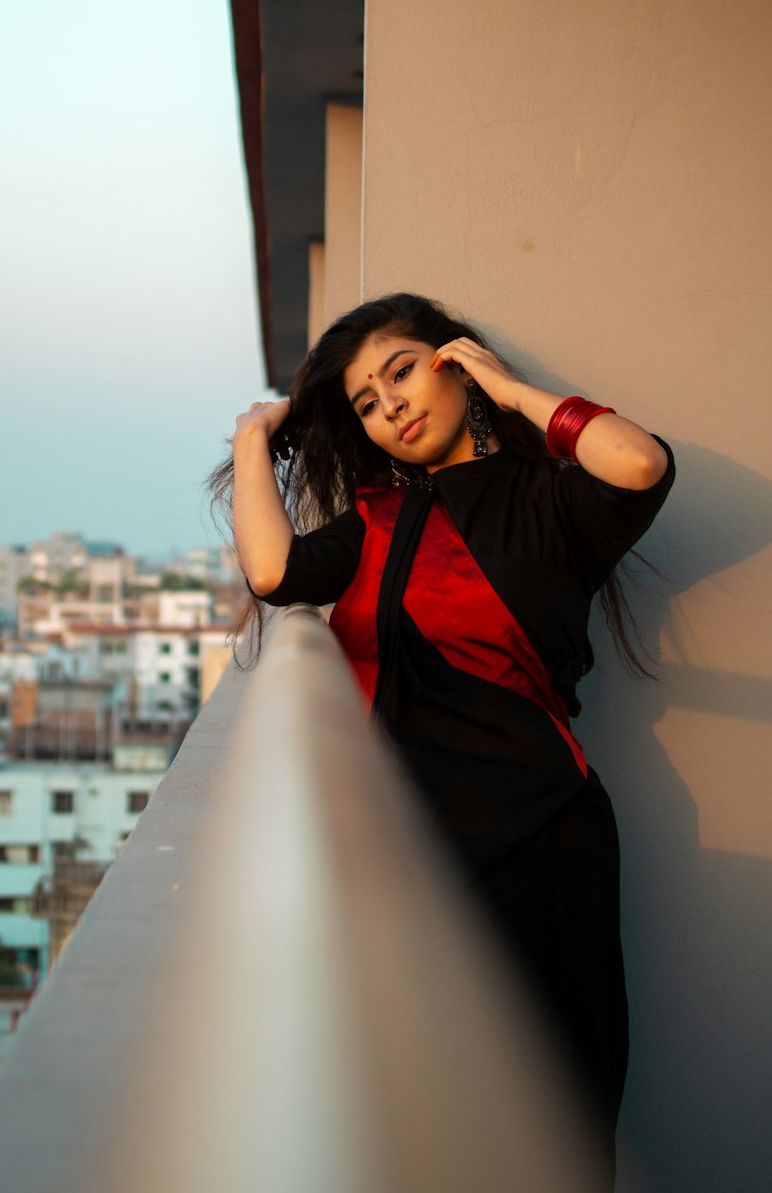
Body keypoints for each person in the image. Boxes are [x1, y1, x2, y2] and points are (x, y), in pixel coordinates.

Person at [221, 292, 674, 1171]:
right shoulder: (375, 525)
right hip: (408, 847)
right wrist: (251, 441)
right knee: (424, 1120)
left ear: (453, 363)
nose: (389, 405)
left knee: (552, 1115)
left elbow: (640, 462)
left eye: (402, 372)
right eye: (364, 401)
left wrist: (509, 391)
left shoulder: (550, 502)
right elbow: (274, 570)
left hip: (541, 836)